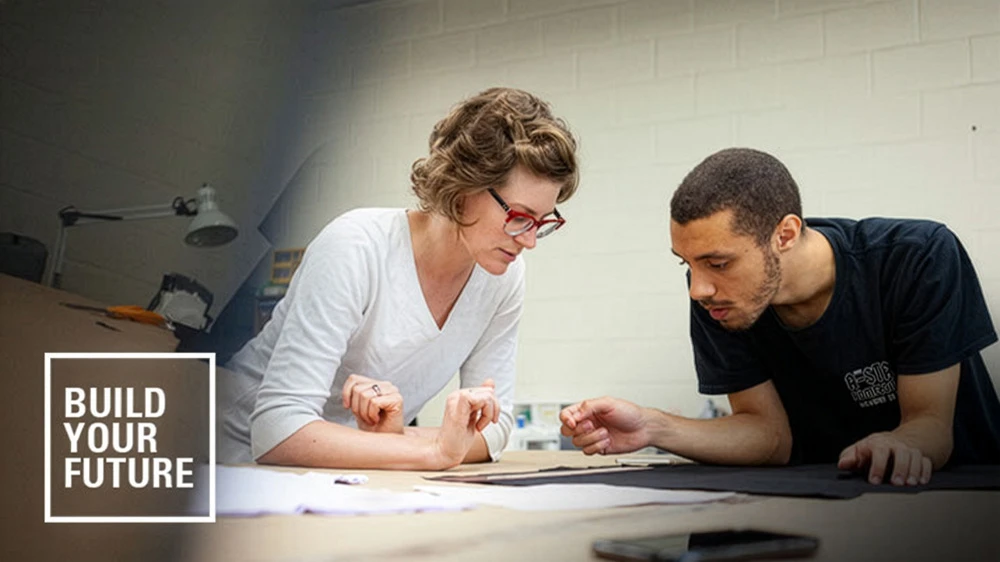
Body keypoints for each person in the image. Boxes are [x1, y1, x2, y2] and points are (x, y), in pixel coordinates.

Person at [561, 147, 1000, 486]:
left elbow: (931, 426)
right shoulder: (720, 300)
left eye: (718, 263)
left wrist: (901, 444)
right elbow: (769, 437)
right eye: (686, 265)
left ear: (785, 234)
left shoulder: (917, 257)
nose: (698, 288)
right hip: (824, 498)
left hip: (958, 494)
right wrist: (653, 426)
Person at [220, 87, 579, 470]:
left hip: (345, 467)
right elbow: (278, 430)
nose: (528, 241)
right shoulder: (356, 246)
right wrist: (434, 450)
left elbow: (495, 429)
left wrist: (397, 440)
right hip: (228, 460)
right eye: (520, 217)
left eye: (542, 223)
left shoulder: (503, 275)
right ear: (464, 188)